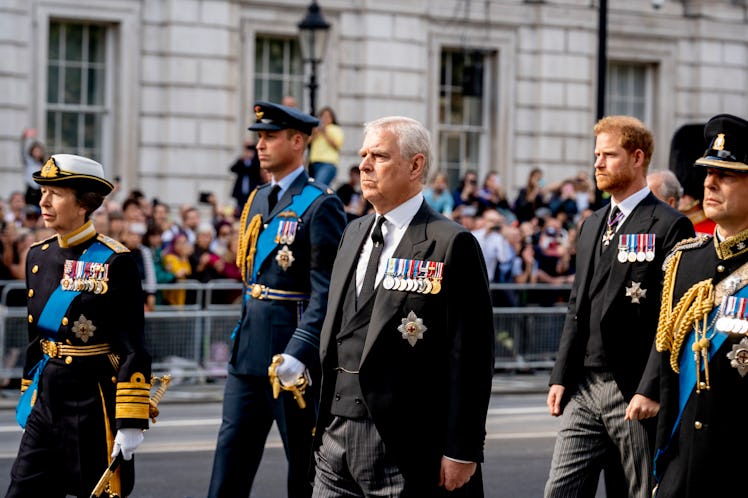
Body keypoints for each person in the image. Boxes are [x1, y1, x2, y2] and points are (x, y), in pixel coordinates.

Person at [312, 116, 494, 497]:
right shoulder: (354, 232)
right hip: (335, 435)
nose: (363, 165)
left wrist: (462, 448)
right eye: (363, 155)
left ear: (415, 165)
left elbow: (471, 354)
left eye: (379, 156)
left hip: (402, 442)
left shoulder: (449, 242)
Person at [544, 116, 695, 498]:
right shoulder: (592, 224)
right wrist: (560, 374)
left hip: (629, 386)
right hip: (583, 385)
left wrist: (651, 388)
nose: (597, 163)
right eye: (596, 155)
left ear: (637, 157)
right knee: (559, 490)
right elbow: (577, 304)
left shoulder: (670, 225)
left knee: (641, 490)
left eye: (608, 155)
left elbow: (671, 317)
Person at [208, 101, 346, 498]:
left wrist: (300, 352)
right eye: (258, 138)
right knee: (229, 460)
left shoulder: (321, 203)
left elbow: (326, 291)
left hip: (290, 356)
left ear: (298, 142)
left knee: (303, 466)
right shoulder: (257, 200)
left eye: (270, 137)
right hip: (249, 351)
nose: (260, 146)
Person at [6, 154, 152, 497]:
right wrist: (30, 392)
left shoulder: (116, 260)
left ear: (84, 202)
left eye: (55, 193)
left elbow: (133, 345)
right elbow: (36, 337)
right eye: (42, 191)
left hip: (92, 402)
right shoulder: (37, 255)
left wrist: (130, 419)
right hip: (48, 396)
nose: (43, 201)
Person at [651, 114, 748, 497]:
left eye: (726, 174)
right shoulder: (683, 261)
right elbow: (665, 356)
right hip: (683, 460)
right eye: (708, 172)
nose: (709, 182)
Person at [309, 106, 344, 186]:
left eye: (327, 116)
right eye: (322, 116)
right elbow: (308, 141)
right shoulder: (316, 130)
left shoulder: (336, 129)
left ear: (332, 118)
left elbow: (336, 145)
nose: (324, 119)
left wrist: (325, 132)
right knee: (322, 187)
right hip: (315, 163)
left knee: (318, 185)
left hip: (328, 163)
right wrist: (315, 132)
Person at [229, 139, 263, 210]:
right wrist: (243, 160)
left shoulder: (256, 160)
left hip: (252, 189)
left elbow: (256, 171)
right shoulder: (242, 160)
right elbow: (232, 169)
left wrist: (252, 159)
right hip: (241, 192)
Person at [20, 128, 45, 206]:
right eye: (35, 150)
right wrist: (24, 138)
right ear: (31, 151)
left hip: (39, 189)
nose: (37, 153)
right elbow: (22, 150)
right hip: (31, 188)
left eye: (39, 151)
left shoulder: (43, 164)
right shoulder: (29, 161)